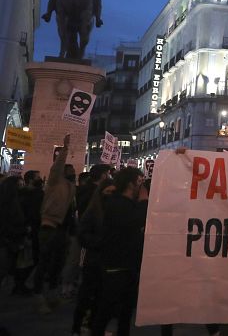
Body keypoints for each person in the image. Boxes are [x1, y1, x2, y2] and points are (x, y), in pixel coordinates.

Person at [91, 167, 148, 336]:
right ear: (130, 184)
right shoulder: (117, 203)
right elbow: (135, 221)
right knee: (107, 308)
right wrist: (144, 201)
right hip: (116, 265)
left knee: (125, 310)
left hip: (127, 264)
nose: (141, 186)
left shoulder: (124, 203)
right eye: (139, 182)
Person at [33, 134, 76, 314]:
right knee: (44, 263)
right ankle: (38, 297)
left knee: (57, 264)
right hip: (49, 226)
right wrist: (64, 150)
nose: (73, 172)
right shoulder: (55, 181)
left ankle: (51, 295)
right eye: (70, 169)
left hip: (62, 229)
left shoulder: (71, 187)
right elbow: (57, 167)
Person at [71, 179, 113, 336]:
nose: (110, 195)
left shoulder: (112, 211)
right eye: (108, 192)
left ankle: (94, 327)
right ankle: (78, 327)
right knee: (87, 295)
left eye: (113, 192)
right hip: (93, 260)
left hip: (107, 260)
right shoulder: (93, 212)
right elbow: (83, 235)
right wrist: (101, 242)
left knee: (102, 296)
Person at [13, 169, 43, 295]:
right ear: (31, 180)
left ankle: (19, 284)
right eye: (37, 177)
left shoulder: (22, 193)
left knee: (26, 259)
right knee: (32, 258)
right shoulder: (34, 194)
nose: (40, 179)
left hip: (28, 228)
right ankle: (20, 284)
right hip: (30, 229)